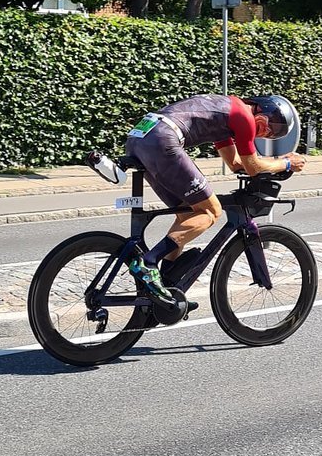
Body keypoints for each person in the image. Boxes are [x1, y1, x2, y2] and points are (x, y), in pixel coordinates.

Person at [123, 94, 306, 304]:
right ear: (261, 110)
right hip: (163, 139)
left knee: (187, 213)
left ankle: (165, 286)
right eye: (270, 127)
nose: (266, 133)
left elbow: (236, 163)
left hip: (141, 137)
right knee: (210, 211)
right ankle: (149, 262)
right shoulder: (244, 117)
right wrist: (287, 164)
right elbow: (253, 167)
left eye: (272, 135)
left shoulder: (226, 113)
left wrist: (270, 163)